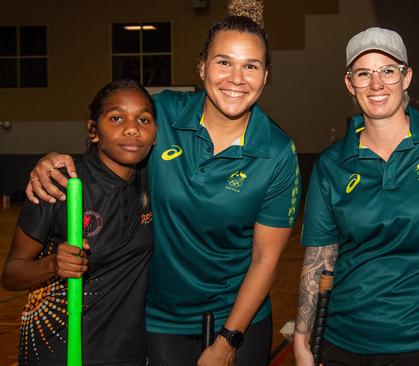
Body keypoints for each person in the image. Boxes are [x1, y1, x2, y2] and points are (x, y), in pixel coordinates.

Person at [25, 15, 300, 366]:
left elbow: (266, 259)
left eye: (251, 66)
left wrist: (227, 342)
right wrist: (53, 158)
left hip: (239, 320)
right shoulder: (163, 113)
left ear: (265, 75)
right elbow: (112, 137)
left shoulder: (277, 151)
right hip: (160, 320)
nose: (236, 78)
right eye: (223, 62)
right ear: (202, 67)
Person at [293, 27, 419, 366]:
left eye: (388, 71)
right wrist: (303, 339)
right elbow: (320, 258)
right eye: (364, 74)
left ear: (406, 77)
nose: (376, 85)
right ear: (350, 84)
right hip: (346, 341)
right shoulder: (332, 164)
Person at [1, 79, 157, 365]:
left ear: (155, 133)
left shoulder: (154, 180)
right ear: (93, 130)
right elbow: (11, 274)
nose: (132, 128)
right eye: (117, 117)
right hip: (58, 350)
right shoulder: (59, 184)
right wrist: (52, 266)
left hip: (128, 353)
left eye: (143, 119)